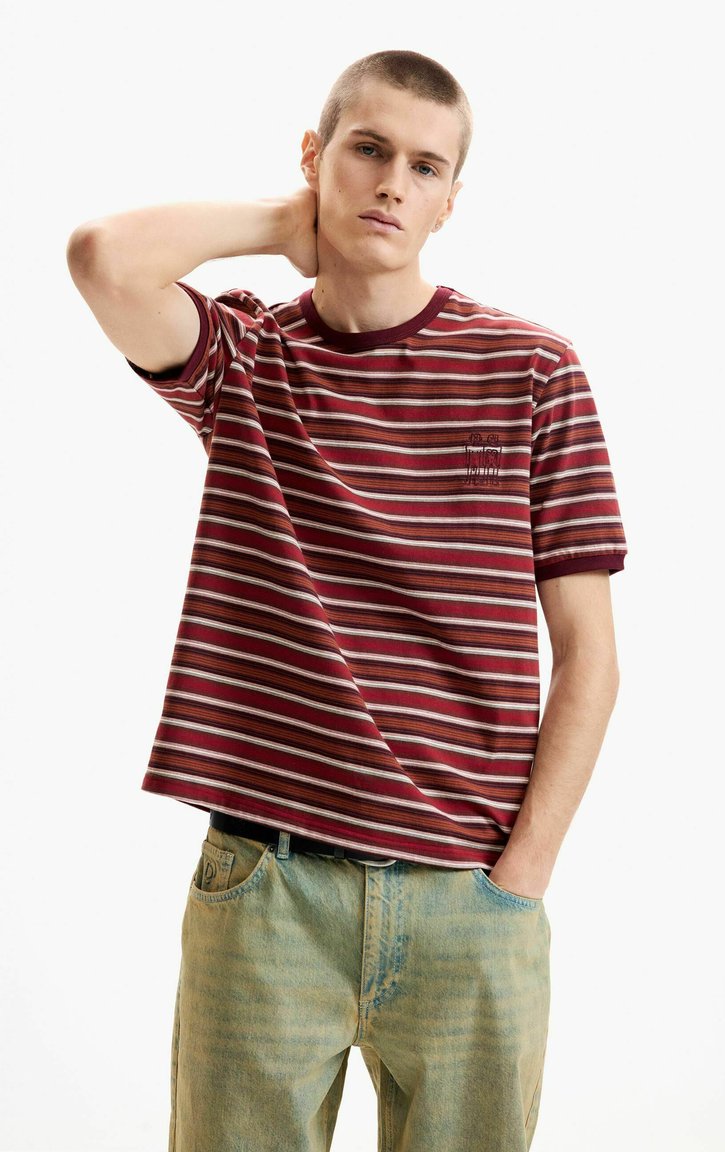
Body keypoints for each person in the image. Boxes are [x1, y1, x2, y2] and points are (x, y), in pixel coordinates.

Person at [67, 49, 627, 1152]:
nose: (391, 185)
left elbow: (590, 655)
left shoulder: (532, 372)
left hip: (469, 893)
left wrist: (519, 881)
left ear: (450, 201)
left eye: (424, 167)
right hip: (267, 888)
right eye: (367, 151)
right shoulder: (246, 360)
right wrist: (287, 225)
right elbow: (102, 258)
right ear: (316, 156)